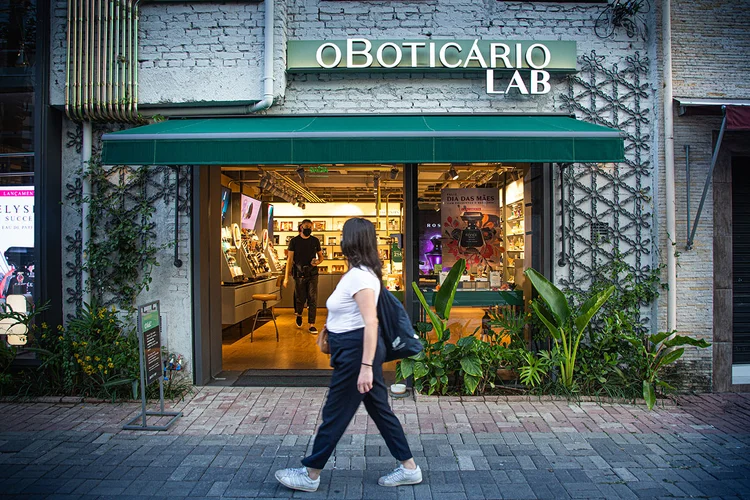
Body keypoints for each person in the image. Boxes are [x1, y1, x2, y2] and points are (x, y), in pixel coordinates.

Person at [275, 218, 422, 492]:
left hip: (357, 356)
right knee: (380, 411)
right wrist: (328, 331)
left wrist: (366, 366)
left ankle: (310, 473)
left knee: (336, 412)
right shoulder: (360, 272)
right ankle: (409, 468)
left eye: (343, 236)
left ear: (350, 240)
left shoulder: (360, 276)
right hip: (354, 351)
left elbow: (371, 322)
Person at [284, 219, 323, 334]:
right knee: (300, 298)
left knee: (313, 298)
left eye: (310, 227)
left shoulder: (315, 241)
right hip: (299, 274)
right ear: (301, 227)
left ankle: (311, 324)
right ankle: (299, 314)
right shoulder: (294, 241)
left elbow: (321, 257)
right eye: (307, 227)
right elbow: (289, 260)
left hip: (312, 274)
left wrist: (317, 262)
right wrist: (286, 277)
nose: (309, 229)